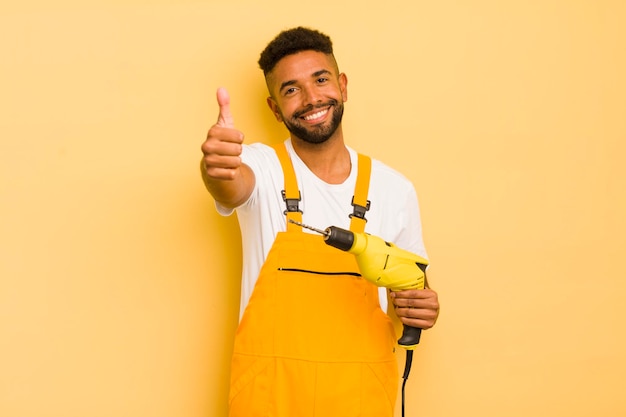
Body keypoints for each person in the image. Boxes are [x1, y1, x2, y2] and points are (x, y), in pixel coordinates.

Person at [200, 26, 439, 417]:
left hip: (360, 399)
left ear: (342, 85)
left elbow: (413, 283)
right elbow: (230, 185)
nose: (311, 98)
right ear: (275, 109)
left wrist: (424, 306)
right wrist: (217, 166)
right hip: (269, 399)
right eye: (291, 89)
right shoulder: (260, 167)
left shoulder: (395, 189)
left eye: (321, 79)